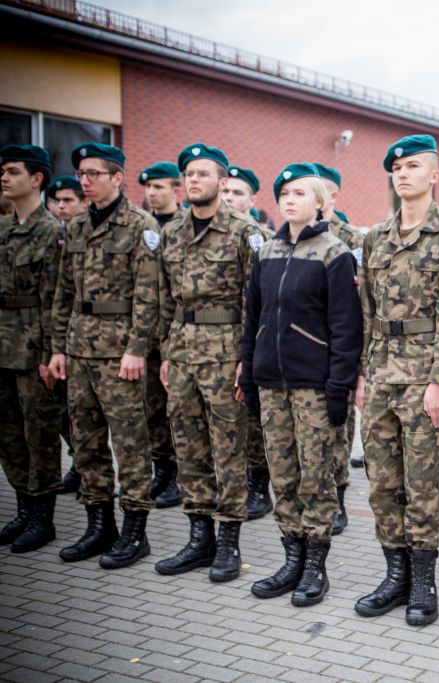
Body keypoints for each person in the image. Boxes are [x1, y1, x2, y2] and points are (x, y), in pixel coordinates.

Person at [354, 134, 439, 627]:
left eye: (413, 166)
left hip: (424, 373)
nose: (403, 174)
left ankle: (424, 581)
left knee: (421, 482)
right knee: (382, 482)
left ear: (434, 175)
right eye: (397, 168)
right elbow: (366, 311)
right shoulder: (375, 237)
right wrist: (362, 373)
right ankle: (395, 575)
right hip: (380, 371)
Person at [240, 163, 361, 606]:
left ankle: (314, 567)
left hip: (313, 386)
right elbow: (252, 318)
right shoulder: (268, 252)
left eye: (299, 193)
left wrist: (338, 388)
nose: (289, 200)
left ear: (320, 202)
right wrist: (249, 374)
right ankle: (291, 560)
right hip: (271, 384)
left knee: (316, 479)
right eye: (284, 194)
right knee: (283, 476)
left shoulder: (334, 253)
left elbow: (346, 329)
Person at [154, 143, 269, 583]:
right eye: (188, 174)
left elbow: (256, 303)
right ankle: (199, 538)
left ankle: (228, 543)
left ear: (222, 182)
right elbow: (165, 299)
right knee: (188, 447)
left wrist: (247, 360)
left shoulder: (244, 230)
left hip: (225, 354)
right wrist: (166, 353)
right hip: (183, 352)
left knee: (228, 448)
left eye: (203, 173)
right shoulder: (172, 232)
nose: (193, 180)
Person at [49, 142, 160, 568]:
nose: (85, 180)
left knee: (130, 442)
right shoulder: (76, 226)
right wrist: (59, 348)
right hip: (80, 349)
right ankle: (99, 525)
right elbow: (65, 293)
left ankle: (135, 531)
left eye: (94, 173)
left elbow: (148, 295)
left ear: (117, 177)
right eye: (81, 173)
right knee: (86, 441)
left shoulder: (140, 225)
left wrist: (137, 349)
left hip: (120, 352)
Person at [0, 144, 65, 553]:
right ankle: (23, 507)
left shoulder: (51, 232)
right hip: (2, 344)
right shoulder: (3, 229)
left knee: (38, 433)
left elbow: (55, 299)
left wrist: (50, 353)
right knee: (8, 433)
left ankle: (43, 517)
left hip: (32, 347)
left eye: (12, 171)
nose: (4, 178)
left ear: (36, 178)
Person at [219, 164, 274, 520]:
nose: (229, 198)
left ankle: (258, 485)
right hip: (210, 344)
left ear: (252, 200)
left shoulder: (258, 238)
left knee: (252, 420)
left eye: (238, 193)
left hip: (248, 343)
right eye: (226, 191)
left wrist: (250, 354)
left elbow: (258, 303)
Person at [312, 162, 362, 535]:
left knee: (339, 429)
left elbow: (361, 299)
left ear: (332, 196)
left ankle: (339, 498)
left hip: (341, 346)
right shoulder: (296, 236)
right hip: (306, 349)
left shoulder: (352, 240)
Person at [138, 161, 185, 509]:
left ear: (175, 190)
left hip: (177, 335)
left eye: (158, 187)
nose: (151, 193)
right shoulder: (143, 227)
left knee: (178, 410)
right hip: (147, 334)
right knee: (151, 408)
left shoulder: (183, 226)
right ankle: (162, 469)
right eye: (148, 187)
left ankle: (180, 475)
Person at [45, 174, 88, 496]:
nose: (60, 206)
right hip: (61, 338)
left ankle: (83, 466)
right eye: (56, 200)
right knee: (63, 412)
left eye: (67, 200)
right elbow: (60, 292)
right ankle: (78, 466)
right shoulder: (64, 233)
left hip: (93, 341)